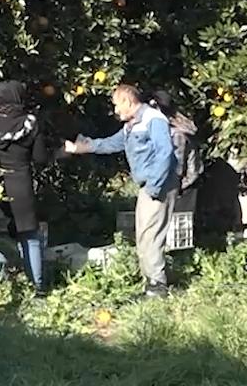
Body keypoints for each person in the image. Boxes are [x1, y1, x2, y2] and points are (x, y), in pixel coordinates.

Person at [65, 84, 177, 298]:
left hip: (159, 184)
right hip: (149, 184)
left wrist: (154, 186)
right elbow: (111, 144)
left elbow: (165, 154)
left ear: (127, 101)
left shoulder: (153, 119)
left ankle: (157, 287)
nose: (115, 110)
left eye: (117, 105)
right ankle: (153, 282)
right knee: (144, 233)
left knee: (150, 234)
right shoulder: (131, 125)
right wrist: (82, 147)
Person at [0, 81, 50, 296]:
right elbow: (40, 158)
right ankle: (37, 288)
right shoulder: (30, 124)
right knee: (30, 236)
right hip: (22, 187)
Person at [150, 89, 203, 213]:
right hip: (182, 184)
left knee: (173, 224)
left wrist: (176, 187)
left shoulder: (176, 133)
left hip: (180, 187)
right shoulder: (174, 126)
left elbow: (177, 165)